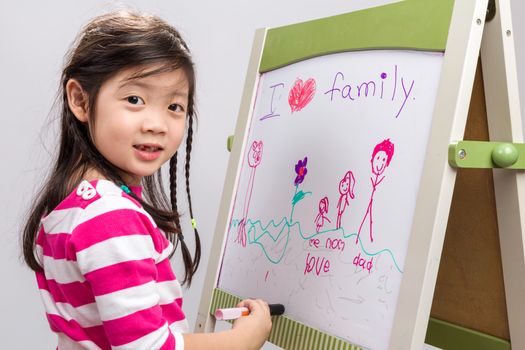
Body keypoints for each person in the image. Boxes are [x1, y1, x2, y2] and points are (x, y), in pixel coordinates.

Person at [21, 10, 271, 350]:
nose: (157, 123)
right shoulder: (110, 217)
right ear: (80, 100)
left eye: (175, 106)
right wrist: (240, 341)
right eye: (135, 99)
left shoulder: (74, 206)